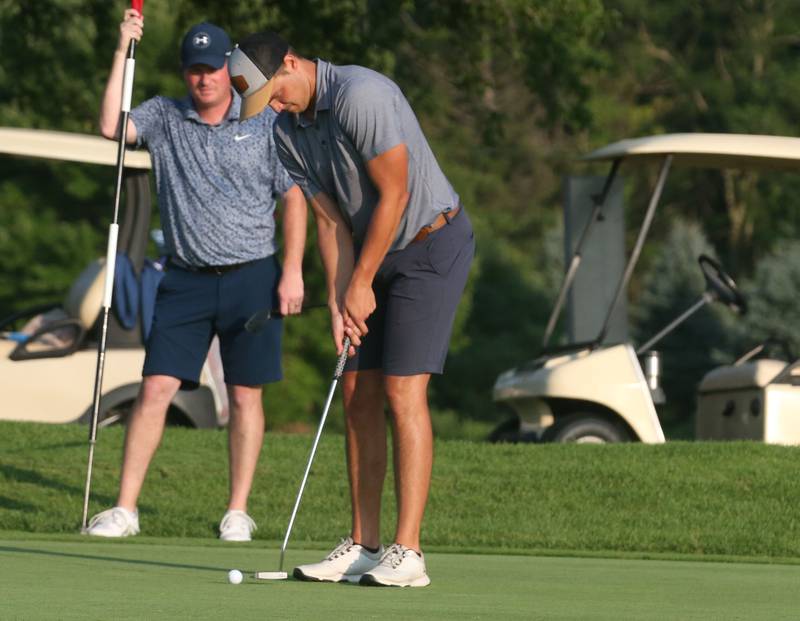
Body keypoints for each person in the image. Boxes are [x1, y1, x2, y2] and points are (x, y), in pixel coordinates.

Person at [228, 32, 474, 586]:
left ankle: (408, 553)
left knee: (400, 388)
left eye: (276, 92)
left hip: (429, 245)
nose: (276, 106)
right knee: (356, 390)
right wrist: (341, 299)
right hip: (370, 252)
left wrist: (362, 281)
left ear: (291, 63)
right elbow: (330, 220)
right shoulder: (286, 130)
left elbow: (397, 194)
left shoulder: (362, 94)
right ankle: (365, 544)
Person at [85, 12, 307, 541]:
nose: (202, 79)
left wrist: (293, 270)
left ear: (228, 67)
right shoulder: (164, 117)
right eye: (193, 70)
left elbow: (294, 196)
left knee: (246, 393)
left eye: (210, 69)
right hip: (185, 279)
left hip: (254, 274)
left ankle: (237, 511)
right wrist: (122, 48)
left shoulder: (262, 121)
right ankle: (125, 509)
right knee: (156, 387)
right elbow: (113, 126)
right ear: (185, 73)